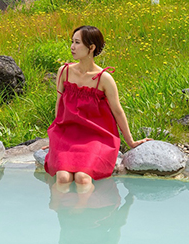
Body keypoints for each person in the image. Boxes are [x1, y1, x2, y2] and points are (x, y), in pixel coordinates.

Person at [44, 25, 149, 187]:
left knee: (82, 178)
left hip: (96, 137)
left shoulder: (104, 79)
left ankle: (87, 211)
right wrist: (54, 136)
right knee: (63, 178)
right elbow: (59, 105)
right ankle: (62, 212)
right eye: (72, 42)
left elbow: (118, 112)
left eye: (77, 43)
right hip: (67, 135)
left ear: (91, 47)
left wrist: (131, 142)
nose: (72, 47)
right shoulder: (64, 71)